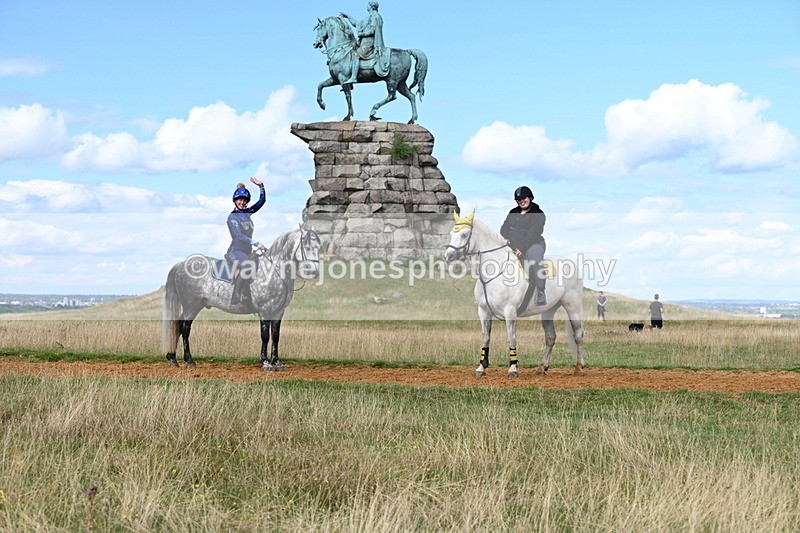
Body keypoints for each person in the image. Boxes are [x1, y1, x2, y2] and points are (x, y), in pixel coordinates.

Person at [500, 185, 547, 307]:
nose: (522, 201)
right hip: (513, 245)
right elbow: (504, 228)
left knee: (535, 261)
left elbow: (533, 234)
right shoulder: (513, 212)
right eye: (519, 200)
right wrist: (506, 239)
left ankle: (541, 291)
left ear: (530, 198)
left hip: (533, 244)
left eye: (524, 198)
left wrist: (521, 249)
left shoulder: (538, 213)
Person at [226, 177, 267, 304]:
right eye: (240, 200)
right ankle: (236, 295)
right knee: (247, 266)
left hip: (247, 251)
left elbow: (262, 201)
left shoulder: (248, 212)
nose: (242, 202)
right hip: (236, 251)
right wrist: (256, 243)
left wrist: (261, 186)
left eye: (244, 200)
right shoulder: (232, 217)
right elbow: (238, 236)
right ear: (235, 201)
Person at [340, 1, 390, 84]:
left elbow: (372, 30)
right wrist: (348, 17)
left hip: (369, 43)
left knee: (355, 54)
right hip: (364, 43)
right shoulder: (369, 17)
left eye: (367, 5)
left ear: (370, 6)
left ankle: (353, 77)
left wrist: (362, 34)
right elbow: (357, 23)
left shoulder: (375, 16)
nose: (366, 6)